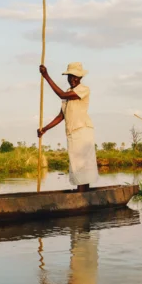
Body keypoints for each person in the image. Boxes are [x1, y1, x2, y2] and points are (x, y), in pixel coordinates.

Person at [36, 62, 99, 192]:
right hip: (72, 133)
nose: (72, 79)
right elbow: (61, 116)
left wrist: (46, 76)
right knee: (76, 164)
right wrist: (45, 129)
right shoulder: (68, 93)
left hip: (82, 131)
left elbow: (61, 95)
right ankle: (82, 193)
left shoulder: (83, 89)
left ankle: (82, 194)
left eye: (75, 76)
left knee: (82, 165)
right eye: (70, 77)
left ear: (80, 77)